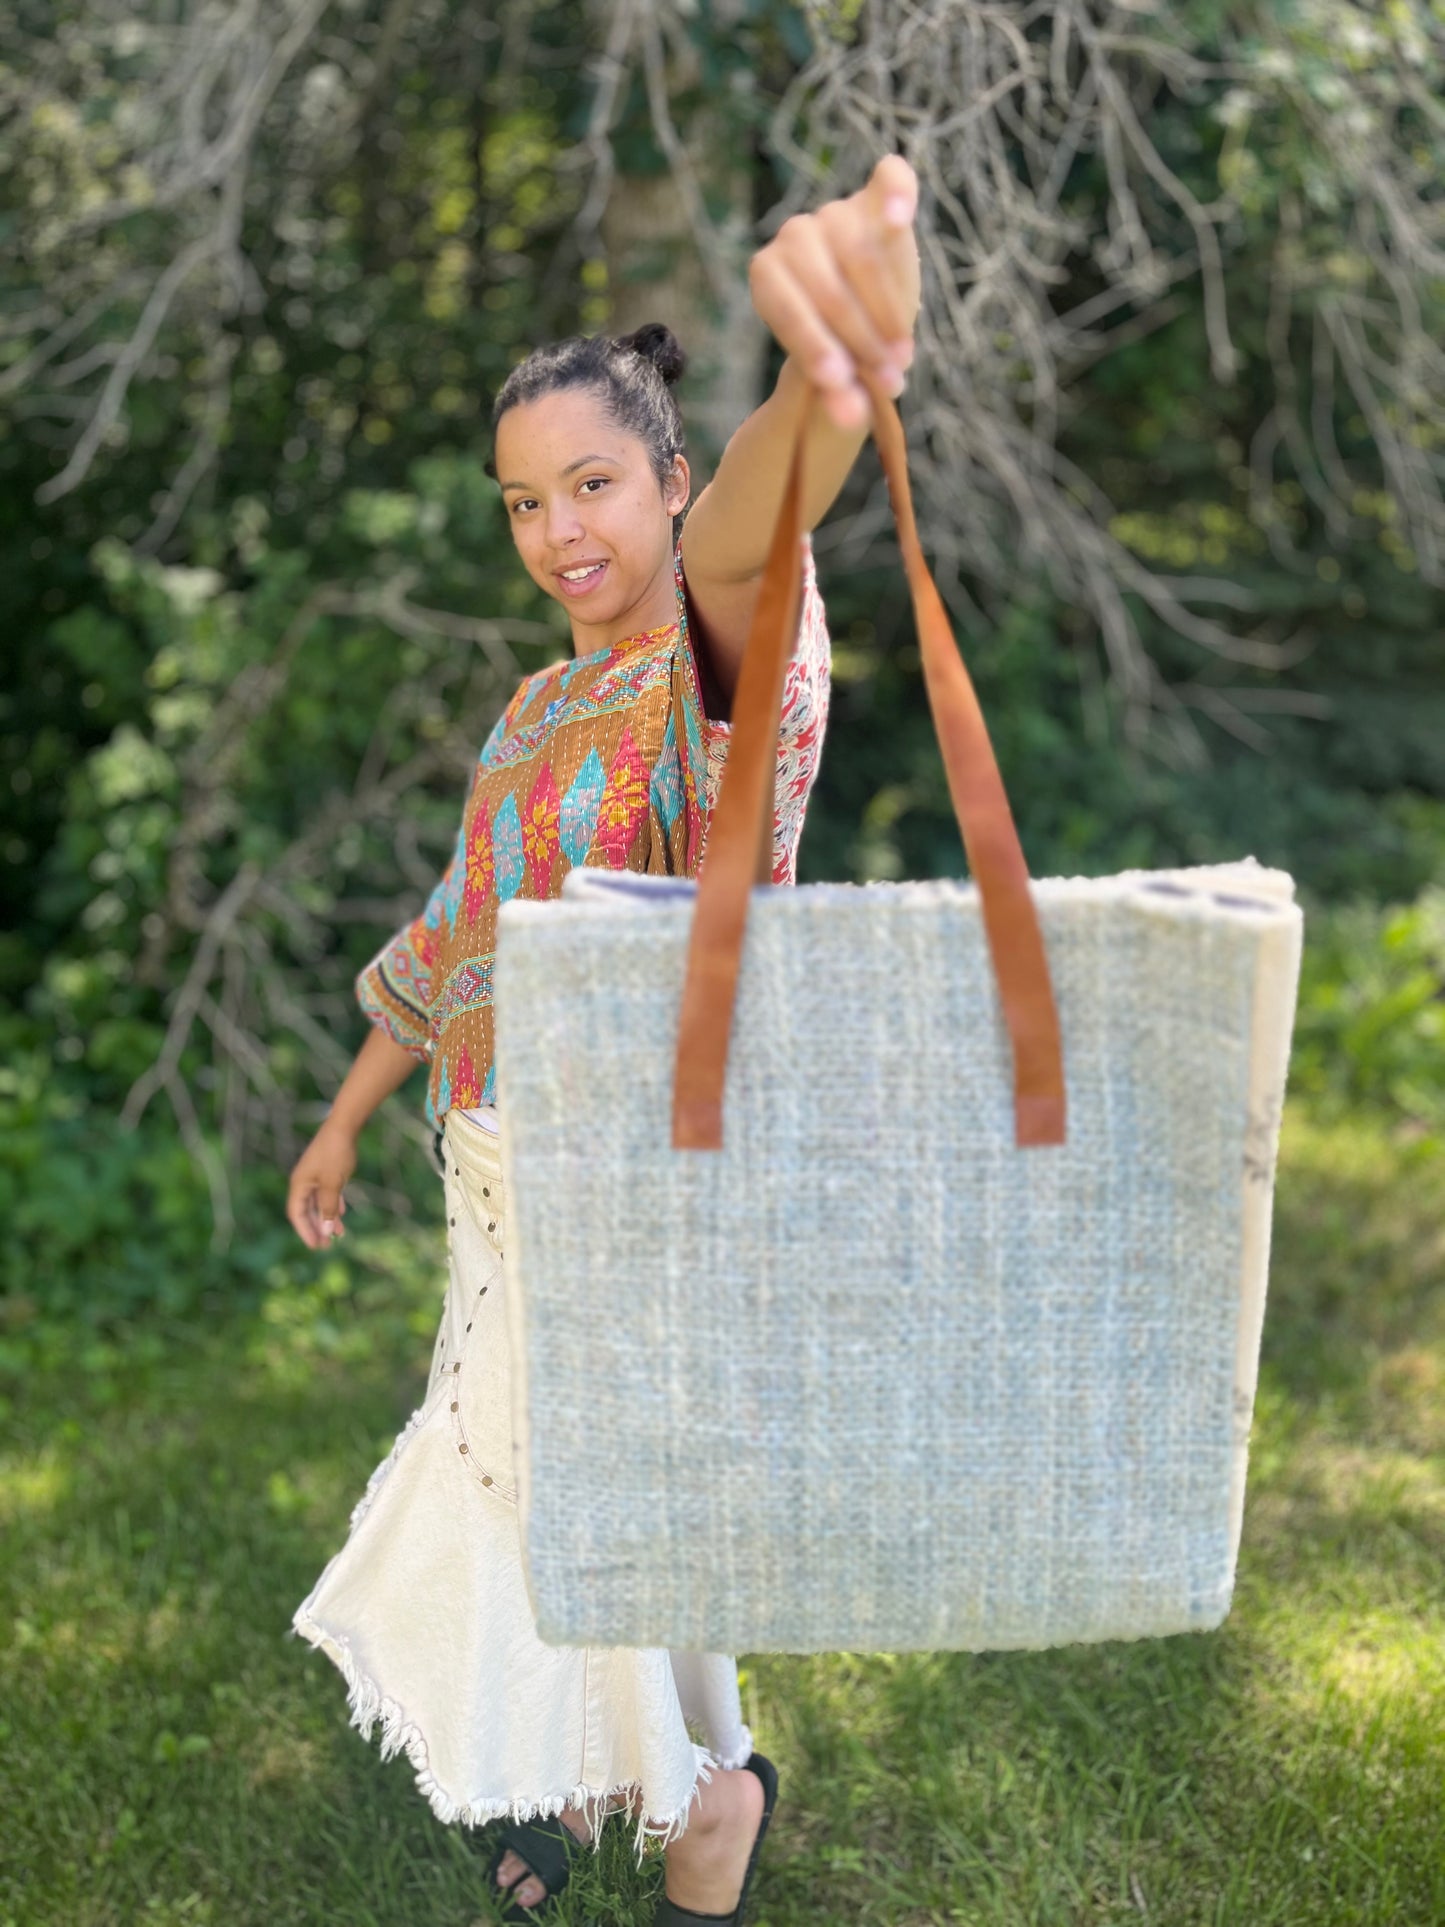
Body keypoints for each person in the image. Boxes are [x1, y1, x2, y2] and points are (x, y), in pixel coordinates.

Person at [284, 153, 922, 1924]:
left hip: (637, 1165)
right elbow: (452, 933)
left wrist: (825, 386)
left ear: (667, 484)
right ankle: (574, 1781)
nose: (562, 531)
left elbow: (751, 552)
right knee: (547, 1486)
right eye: (522, 502)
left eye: (593, 486)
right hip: (496, 1173)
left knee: (629, 1485)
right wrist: (347, 1119)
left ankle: (708, 1790)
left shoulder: (695, 673)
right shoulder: (533, 704)